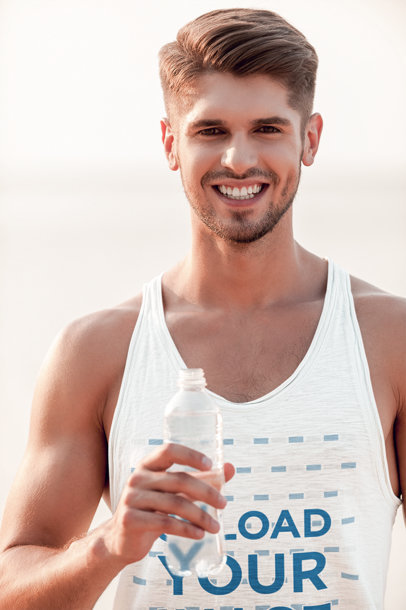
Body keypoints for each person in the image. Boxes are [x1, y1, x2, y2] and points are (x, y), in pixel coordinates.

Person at [0, 7, 404, 609]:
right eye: (210, 131)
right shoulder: (98, 351)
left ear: (310, 139)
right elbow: (12, 588)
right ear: (171, 143)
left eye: (268, 128)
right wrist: (111, 544)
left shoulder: (388, 340)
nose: (239, 159)